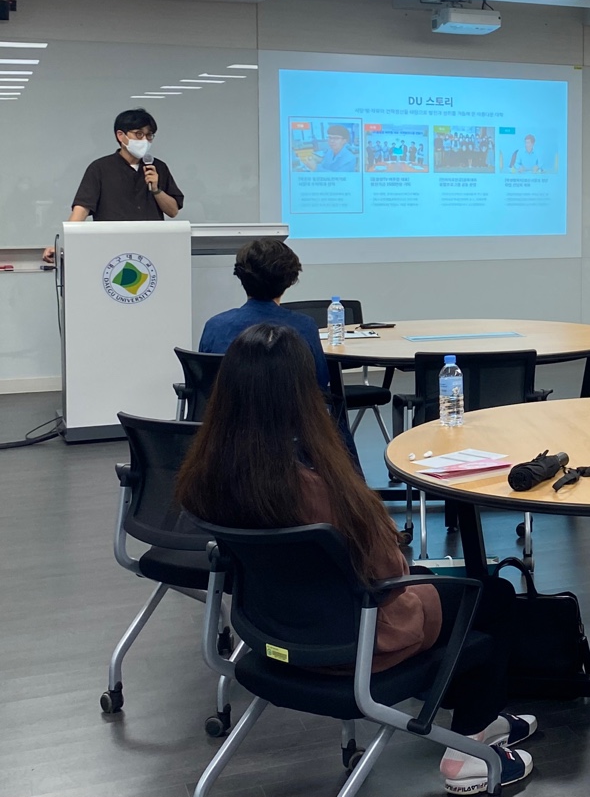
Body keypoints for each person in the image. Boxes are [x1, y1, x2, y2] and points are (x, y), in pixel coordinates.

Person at [174, 325, 537, 791]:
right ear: (301, 396)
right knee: (492, 595)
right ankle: (469, 748)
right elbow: (388, 573)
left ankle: (481, 723)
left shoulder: (205, 477)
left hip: (270, 635)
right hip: (355, 646)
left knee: (441, 589)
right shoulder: (313, 488)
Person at [198, 237, 361, 466]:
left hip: (228, 440)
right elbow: (318, 384)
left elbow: (207, 384)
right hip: (292, 438)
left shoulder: (215, 326)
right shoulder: (303, 326)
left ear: (241, 276)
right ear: (290, 279)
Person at [42, 108, 185, 261]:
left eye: (149, 135)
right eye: (138, 134)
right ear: (120, 135)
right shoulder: (100, 168)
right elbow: (81, 209)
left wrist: (156, 190)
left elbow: (173, 211)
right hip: (110, 250)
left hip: (152, 248)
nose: (144, 140)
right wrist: (62, 246)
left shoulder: (158, 167)